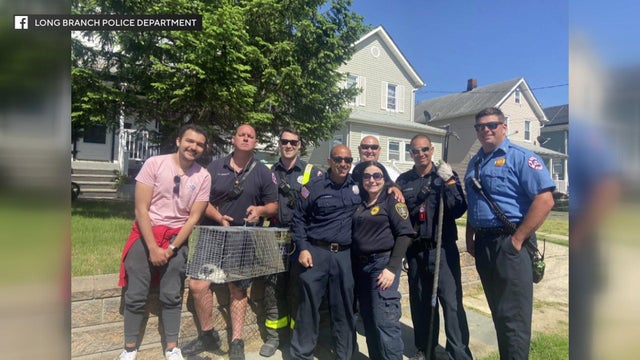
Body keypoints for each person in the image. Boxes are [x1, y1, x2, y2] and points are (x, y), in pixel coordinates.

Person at [464, 107, 555, 359]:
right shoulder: (475, 162)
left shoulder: (521, 157)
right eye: (480, 126)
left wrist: (517, 239)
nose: (486, 130)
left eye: (492, 124)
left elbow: (545, 200)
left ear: (504, 127)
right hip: (484, 244)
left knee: (514, 318)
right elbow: (475, 201)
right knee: (499, 312)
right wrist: (470, 234)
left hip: (510, 242)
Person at [183, 124, 278, 360]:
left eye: (251, 136)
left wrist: (260, 210)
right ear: (233, 139)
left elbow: (273, 205)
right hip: (213, 232)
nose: (245, 139)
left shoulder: (263, 172)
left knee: (237, 288)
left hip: (243, 236)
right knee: (197, 284)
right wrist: (218, 217)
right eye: (241, 135)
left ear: (255, 142)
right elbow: (201, 199)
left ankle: (237, 340)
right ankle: (207, 334)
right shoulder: (216, 166)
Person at [117, 124, 212, 360]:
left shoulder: (203, 176)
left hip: (176, 237)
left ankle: (172, 348)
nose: (194, 147)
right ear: (179, 141)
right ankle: (129, 349)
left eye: (200, 144)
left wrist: (170, 249)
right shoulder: (155, 164)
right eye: (190, 141)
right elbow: (141, 209)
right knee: (136, 294)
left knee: (171, 294)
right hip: (145, 232)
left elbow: (193, 219)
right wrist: (151, 247)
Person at [396, 134, 472, 360]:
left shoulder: (444, 176)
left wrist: (449, 182)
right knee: (421, 303)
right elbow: (399, 216)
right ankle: (425, 349)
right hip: (416, 251)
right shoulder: (403, 180)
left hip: (443, 250)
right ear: (411, 153)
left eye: (425, 149)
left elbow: (458, 209)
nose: (421, 154)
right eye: (416, 151)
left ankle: (458, 352)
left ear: (432, 151)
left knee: (451, 303)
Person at [289, 144, 362, 359]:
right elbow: (298, 219)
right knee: (308, 308)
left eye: (347, 160)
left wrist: (393, 187)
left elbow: (380, 190)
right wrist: (302, 248)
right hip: (315, 253)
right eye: (338, 159)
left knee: (344, 309)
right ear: (330, 161)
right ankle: (302, 354)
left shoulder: (358, 188)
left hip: (345, 256)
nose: (343, 164)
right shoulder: (313, 187)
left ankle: (344, 355)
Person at [259, 128, 323, 357]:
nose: (288, 145)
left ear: (300, 144)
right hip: (273, 237)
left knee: (299, 289)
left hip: (300, 240)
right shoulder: (267, 172)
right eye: (284, 141)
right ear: (279, 143)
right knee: (272, 288)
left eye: (293, 142)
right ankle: (275, 336)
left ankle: (297, 338)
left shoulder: (312, 173)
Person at [351, 161, 415, 360]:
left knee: (385, 321)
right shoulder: (360, 202)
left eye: (377, 176)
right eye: (367, 176)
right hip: (361, 268)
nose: (372, 180)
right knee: (369, 320)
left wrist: (391, 268)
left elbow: (406, 234)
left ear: (384, 178)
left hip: (382, 266)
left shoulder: (392, 201)